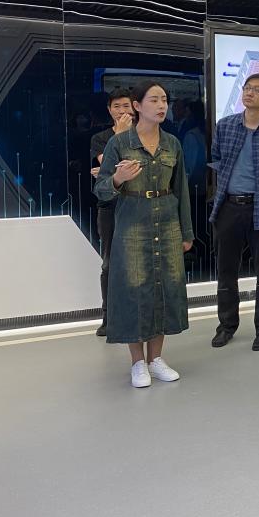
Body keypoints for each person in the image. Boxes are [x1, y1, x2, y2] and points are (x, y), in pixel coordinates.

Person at [94, 82, 194, 388]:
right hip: (133, 224)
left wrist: (186, 231)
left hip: (167, 221)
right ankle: (137, 362)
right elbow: (101, 190)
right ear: (137, 106)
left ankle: (156, 358)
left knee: (164, 287)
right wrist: (117, 178)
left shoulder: (172, 144)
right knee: (134, 290)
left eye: (164, 99)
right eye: (154, 100)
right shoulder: (119, 143)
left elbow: (181, 190)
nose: (161, 105)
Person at [209, 73, 259, 351]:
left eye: (256, 90)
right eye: (247, 88)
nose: (249, 93)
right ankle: (226, 325)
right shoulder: (225, 126)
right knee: (226, 270)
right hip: (228, 207)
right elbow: (217, 158)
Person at [89, 87, 134, 337]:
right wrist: (119, 135)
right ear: (109, 110)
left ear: (135, 108)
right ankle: (108, 317)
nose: (122, 111)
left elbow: (131, 168)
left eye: (126, 105)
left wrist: (110, 169)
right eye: (117, 106)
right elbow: (108, 164)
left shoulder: (144, 134)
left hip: (136, 205)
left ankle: (134, 312)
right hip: (110, 207)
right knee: (109, 263)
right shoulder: (100, 137)